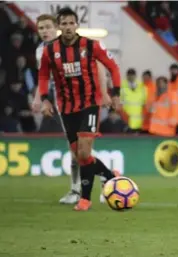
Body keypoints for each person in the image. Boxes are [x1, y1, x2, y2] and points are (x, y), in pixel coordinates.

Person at [36, 8, 122, 211]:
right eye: (63, 24)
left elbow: (113, 67)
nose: (67, 27)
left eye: (71, 23)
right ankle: (111, 176)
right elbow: (42, 76)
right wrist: (45, 100)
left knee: (84, 153)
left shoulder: (91, 45)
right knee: (79, 156)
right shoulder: (50, 51)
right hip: (66, 108)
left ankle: (85, 198)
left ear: (77, 25)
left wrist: (115, 93)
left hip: (89, 105)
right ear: (59, 27)